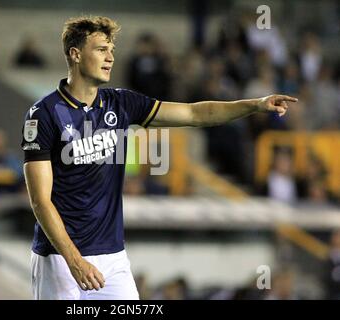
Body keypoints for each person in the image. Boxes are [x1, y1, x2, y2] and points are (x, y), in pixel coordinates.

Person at [21, 16, 298, 300]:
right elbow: (40, 200)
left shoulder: (121, 103)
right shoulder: (43, 115)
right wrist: (74, 260)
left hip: (113, 258)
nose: (110, 57)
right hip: (59, 259)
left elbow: (194, 113)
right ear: (75, 54)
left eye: (112, 50)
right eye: (101, 49)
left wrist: (254, 105)